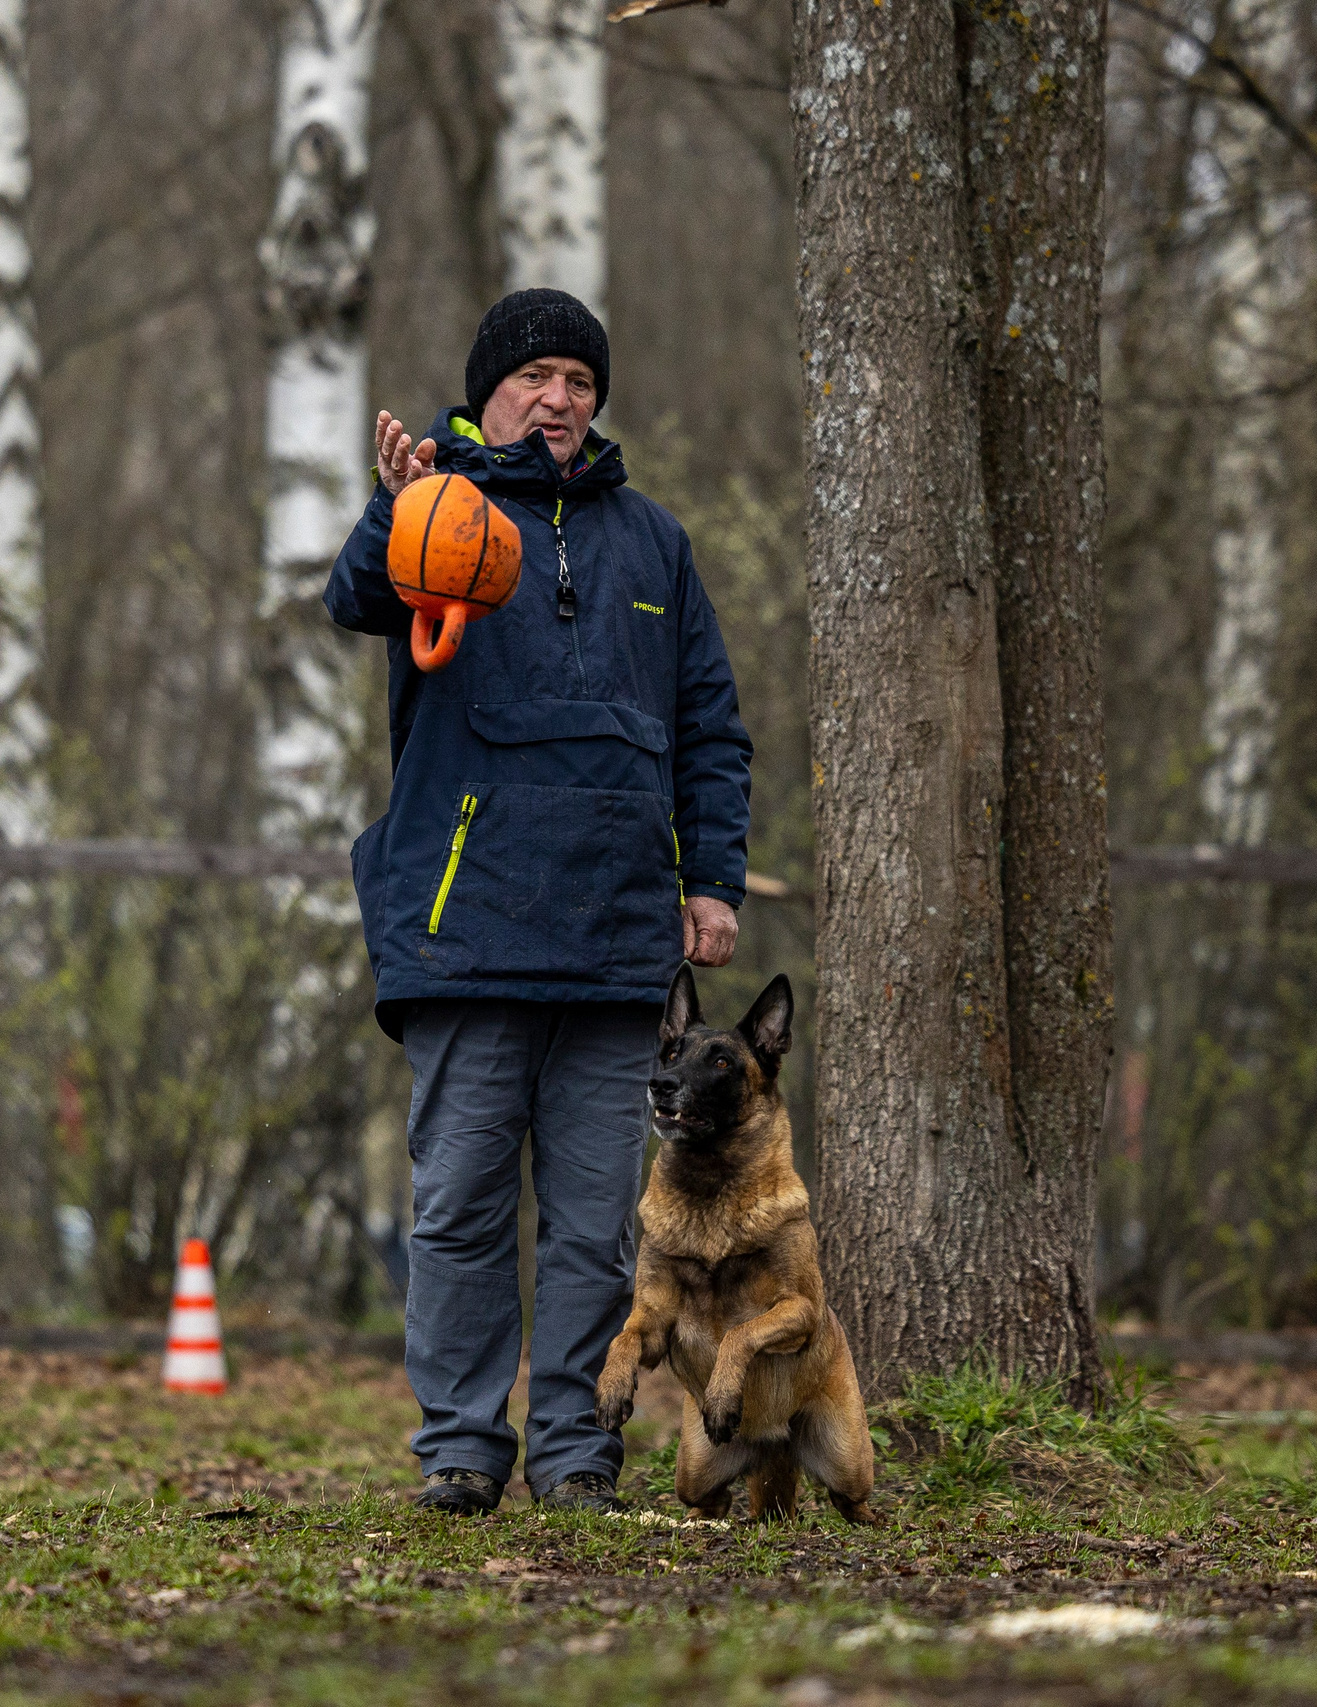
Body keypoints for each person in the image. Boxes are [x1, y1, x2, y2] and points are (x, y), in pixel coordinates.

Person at [324, 288, 752, 1515]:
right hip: (466, 928)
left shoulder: (655, 544)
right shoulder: (433, 514)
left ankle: (577, 1451)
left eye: (579, 381)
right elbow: (353, 600)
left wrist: (710, 881)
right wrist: (390, 507)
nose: (559, 399)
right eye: (536, 378)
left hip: (619, 938)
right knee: (458, 1208)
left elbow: (709, 729)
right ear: (487, 391)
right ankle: (460, 1445)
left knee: (594, 1229)